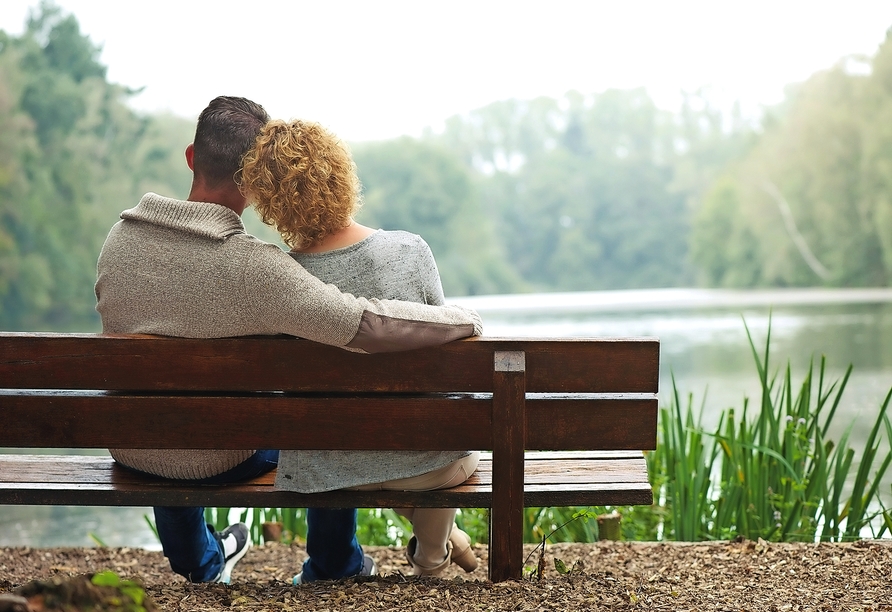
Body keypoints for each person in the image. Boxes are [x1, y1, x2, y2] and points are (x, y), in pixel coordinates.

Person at [94, 96, 483, 585]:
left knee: (165, 414)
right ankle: (338, 562)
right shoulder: (256, 268)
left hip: (132, 445)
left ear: (192, 157)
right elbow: (361, 323)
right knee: (318, 419)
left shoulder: (118, 242)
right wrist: (458, 320)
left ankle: (205, 562)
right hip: (226, 456)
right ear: (257, 182)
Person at [239, 118, 480, 581]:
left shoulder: (283, 278)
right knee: (440, 439)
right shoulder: (410, 251)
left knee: (360, 440)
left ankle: (436, 545)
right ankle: (433, 558)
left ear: (271, 203)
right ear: (341, 174)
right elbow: (445, 354)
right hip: (426, 466)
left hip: (329, 470)